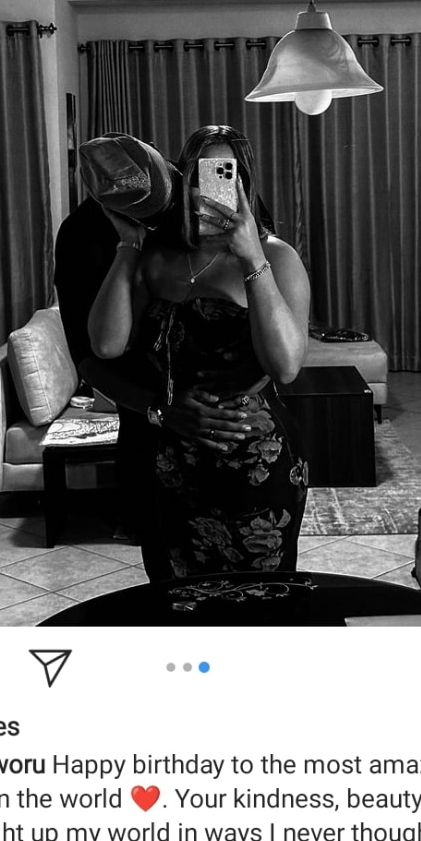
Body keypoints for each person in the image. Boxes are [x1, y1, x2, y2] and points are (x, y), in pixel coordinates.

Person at [88, 125, 311, 577]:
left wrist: (251, 258)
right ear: (180, 179)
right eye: (197, 173)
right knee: (175, 594)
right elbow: (106, 346)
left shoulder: (277, 257)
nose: (209, 188)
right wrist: (128, 244)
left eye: (223, 172)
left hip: (256, 463)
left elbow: (286, 366)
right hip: (175, 459)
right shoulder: (157, 256)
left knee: (259, 601)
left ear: (244, 182)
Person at [55, 132, 252, 581]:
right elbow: (90, 356)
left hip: (236, 429)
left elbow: (267, 320)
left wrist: (236, 399)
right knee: (168, 580)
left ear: (172, 170)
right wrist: (160, 409)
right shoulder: (84, 234)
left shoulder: (218, 192)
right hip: (149, 429)